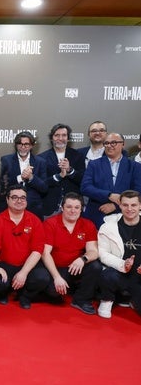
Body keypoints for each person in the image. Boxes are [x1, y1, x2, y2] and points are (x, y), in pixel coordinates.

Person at [0, 185, 49, 309]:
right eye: (15, 197)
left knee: (43, 278)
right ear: (7, 200)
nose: (19, 200)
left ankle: (25, 296)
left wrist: (23, 272)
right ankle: (3, 293)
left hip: (26, 264)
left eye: (23, 198)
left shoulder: (34, 220)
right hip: (5, 264)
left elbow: (37, 251)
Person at [41, 192, 101, 314]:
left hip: (75, 266)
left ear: (81, 209)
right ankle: (62, 287)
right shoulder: (50, 223)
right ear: (62, 208)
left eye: (76, 207)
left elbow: (94, 251)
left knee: (95, 266)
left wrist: (83, 259)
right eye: (69, 207)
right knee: (54, 292)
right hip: (55, 267)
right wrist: (57, 277)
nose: (73, 211)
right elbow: (45, 253)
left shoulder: (88, 225)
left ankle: (81, 300)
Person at [81, 132, 141, 228]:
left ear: (123, 144)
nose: (109, 146)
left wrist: (115, 206)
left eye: (113, 143)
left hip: (125, 216)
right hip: (97, 215)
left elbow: (138, 191)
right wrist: (109, 195)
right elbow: (85, 187)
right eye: (107, 143)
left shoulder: (135, 166)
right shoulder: (94, 164)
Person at [97, 190, 141, 319]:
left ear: (140, 206)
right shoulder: (108, 226)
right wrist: (122, 264)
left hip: (139, 277)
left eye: (133, 205)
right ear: (120, 205)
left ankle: (133, 300)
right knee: (107, 275)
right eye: (125, 205)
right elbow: (103, 253)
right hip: (119, 273)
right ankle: (106, 300)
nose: (129, 209)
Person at [38, 124, 85, 217]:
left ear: (68, 138)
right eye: (57, 135)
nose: (60, 138)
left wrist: (70, 170)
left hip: (73, 207)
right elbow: (41, 184)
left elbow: (83, 180)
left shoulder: (78, 155)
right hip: (50, 208)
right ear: (52, 138)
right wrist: (58, 176)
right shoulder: (42, 158)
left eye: (64, 135)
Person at [1, 131, 48, 220]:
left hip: (33, 209)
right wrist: (20, 178)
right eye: (20, 144)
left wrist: (31, 178)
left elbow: (44, 188)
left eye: (26, 144)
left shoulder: (40, 162)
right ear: (16, 145)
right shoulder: (6, 160)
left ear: (31, 146)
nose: (23, 147)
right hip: (11, 208)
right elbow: (3, 186)